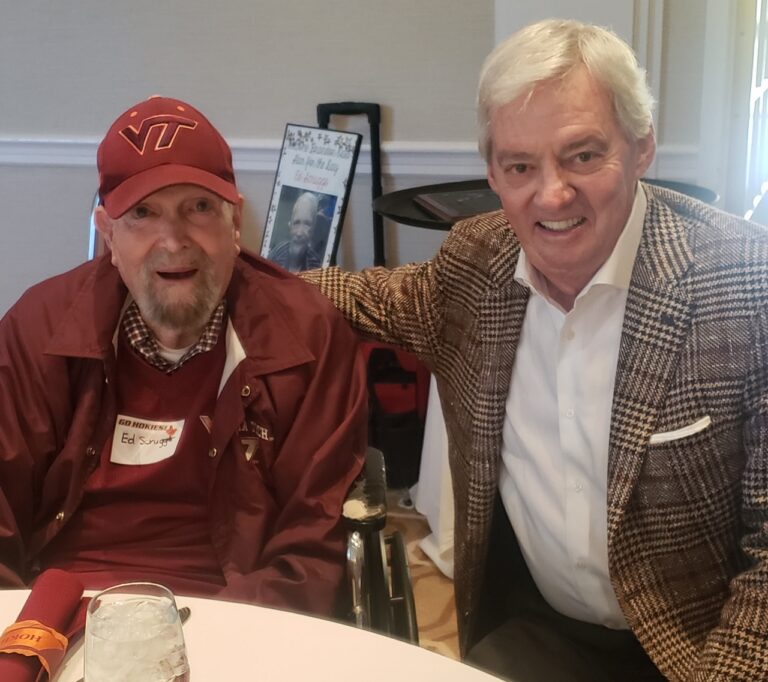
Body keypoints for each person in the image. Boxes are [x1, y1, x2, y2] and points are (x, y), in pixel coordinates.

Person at [301, 18, 768, 681]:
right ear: (493, 171)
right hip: (538, 633)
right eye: (520, 165)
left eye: (583, 155)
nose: (551, 194)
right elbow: (362, 297)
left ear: (642, 148)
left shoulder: (747, 285)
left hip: (699, 647)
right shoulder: (476, 263)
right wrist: (213, 272)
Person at [0, 96, 366, 617]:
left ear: (234, 221)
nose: (173, 242)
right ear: (108, 233)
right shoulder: (36, 330)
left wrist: (238, 641)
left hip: (235, 615)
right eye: (142, 215)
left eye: (198, 208)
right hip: (66, 613)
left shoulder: (309, 335)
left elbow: (312, 544)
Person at [268, 191, 323, 272]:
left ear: (313, 228)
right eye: (296, 222)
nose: (299, 233)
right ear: (290, 225)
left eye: (307, 224)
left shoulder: (316, 266)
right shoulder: (275, 255)